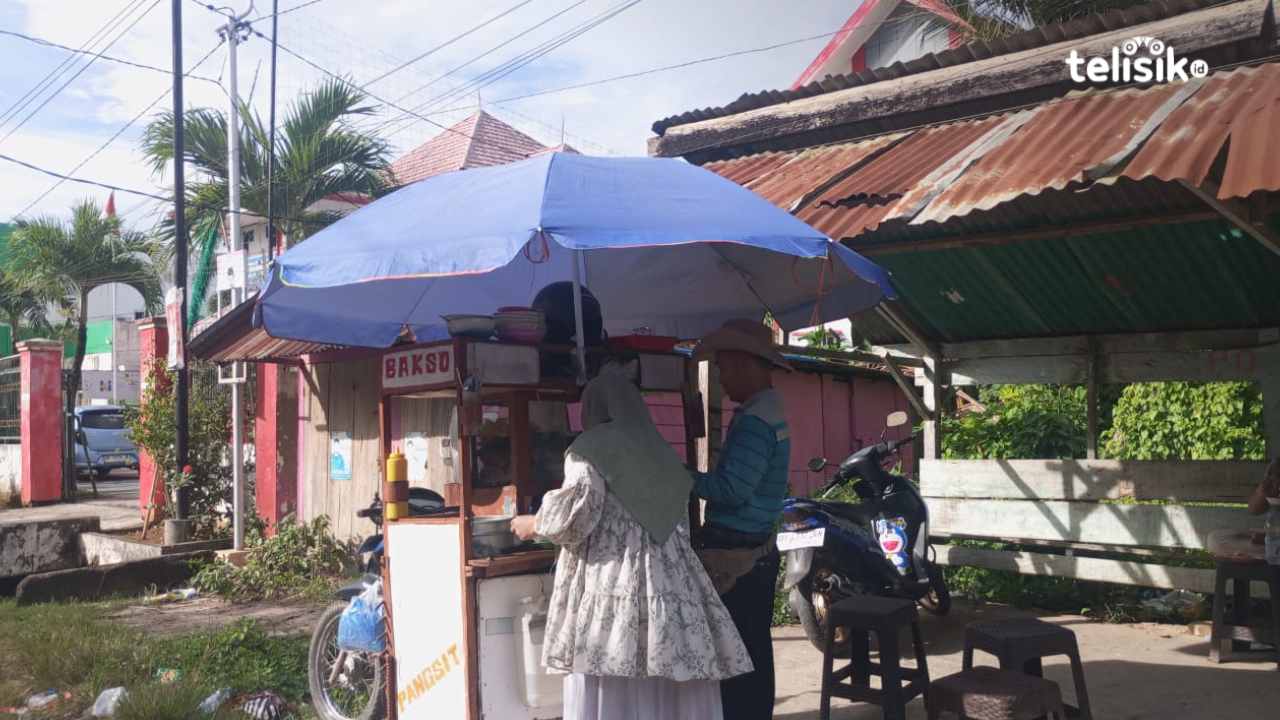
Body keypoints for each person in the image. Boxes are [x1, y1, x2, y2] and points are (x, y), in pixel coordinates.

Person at [510, 369, 752, 720]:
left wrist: (533, 523)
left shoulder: (590, 448)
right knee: (666, 673)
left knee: (614, 672)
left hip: (613, 581)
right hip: (673, 588)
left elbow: (578, 515)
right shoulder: (662, 451)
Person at [691, 318, 793, 720]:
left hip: (740, 556)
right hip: (755, 551)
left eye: (725, 369)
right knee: (751, 652)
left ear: (748, 365)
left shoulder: (755, 421)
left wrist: (681, 478)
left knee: (737, 659)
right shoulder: (766, 410)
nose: (722, 379)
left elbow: (732, 490)